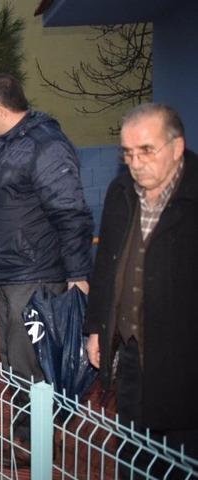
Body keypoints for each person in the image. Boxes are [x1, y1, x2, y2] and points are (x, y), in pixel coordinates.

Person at [0, 73, 94, 466]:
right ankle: (25, 438)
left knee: (33, 366)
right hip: (9, 276)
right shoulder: (6, 147)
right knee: (15, 364)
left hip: (36, 276)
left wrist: (78, 274)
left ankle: (37, 446)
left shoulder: (46, 146)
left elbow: (72, 213)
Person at [85, 103, 198, 473]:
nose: (135, 162)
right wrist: (96, 329)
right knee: (133, 453)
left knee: (179, 457)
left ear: (177, 147)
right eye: (128, 153)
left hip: (184, 360)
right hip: (131, 351)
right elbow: (106, 268)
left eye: (146, 150)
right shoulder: (121, 192)